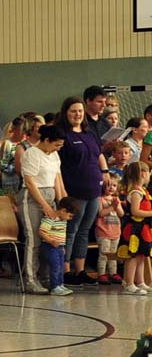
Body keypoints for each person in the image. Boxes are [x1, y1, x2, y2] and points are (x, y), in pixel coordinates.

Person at [56, 96, 106, 286]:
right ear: (65, 113)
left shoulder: (89, 133)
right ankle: (66, 270)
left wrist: (105, 172)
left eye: (80, 111)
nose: (77, 114)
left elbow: (99, 154)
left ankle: (80, 269)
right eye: (73, 111)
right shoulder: (64, 135)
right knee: (71, 230)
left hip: (94, 189)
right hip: (74, 190)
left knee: (84, 231)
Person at [18, 124, 66, 294]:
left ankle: (46, 278)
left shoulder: (54, 155)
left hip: (50, 196)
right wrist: (45, 206)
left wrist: (63, 204)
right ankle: (30, 280)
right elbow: (30, 182)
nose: (58, 148)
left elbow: (57, 180)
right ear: (46, 140)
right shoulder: (31, 154)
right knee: (34, 240)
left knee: (51, 239)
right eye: (56, 145)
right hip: (31, 199)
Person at [120, 161, 152, 295]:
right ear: (143, 174)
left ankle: (140, 282)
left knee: (141, 255)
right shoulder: (135, 192)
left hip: (143, 228)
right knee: (133, 256)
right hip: (134, 228)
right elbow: (135, 211)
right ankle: (129, 283)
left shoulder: (143, 191)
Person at [40, 197, 78, 296]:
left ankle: (60, 284)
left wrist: (62, 247)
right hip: (50, 247)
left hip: (59, 248)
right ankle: (54, 286)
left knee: (61, 266)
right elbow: (41, 232)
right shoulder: (50, 218)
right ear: (63, 210)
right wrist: (50, 240)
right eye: (70, 216)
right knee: (55, 266)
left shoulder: (63, 220)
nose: (70, 219)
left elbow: (61, 234)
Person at [96, 173, 124, 285]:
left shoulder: (116, 199)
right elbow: (101, 213)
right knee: (104, 254)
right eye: (108, 185)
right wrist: (112, 207)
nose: (111, 187)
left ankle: (113, 273)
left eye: (114, 185)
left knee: (113, 255)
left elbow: (121, 214)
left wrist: (117, 206)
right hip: (103, 232)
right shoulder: (100, 199)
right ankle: (101, 274)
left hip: (115, 232)